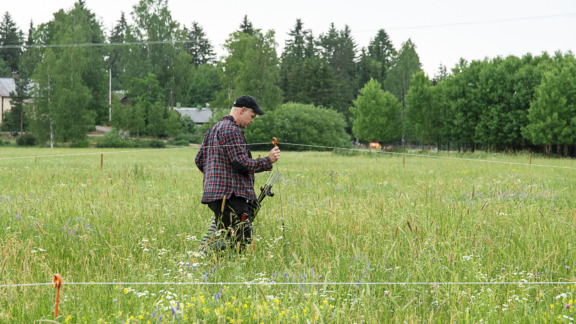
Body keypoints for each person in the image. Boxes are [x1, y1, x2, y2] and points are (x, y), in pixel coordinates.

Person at [195, 95, 280, 251]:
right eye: (252, 116)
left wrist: (215, 177)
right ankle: (203, 254)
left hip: (216, 196)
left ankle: (213, 265)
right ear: (243, 110)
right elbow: (241, 163)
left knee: (228, 236)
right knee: (241, 240)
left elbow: (199, 160)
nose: (252, 120)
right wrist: (268, 160)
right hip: (231, 196)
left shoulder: (214, 129)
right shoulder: (232, 130)